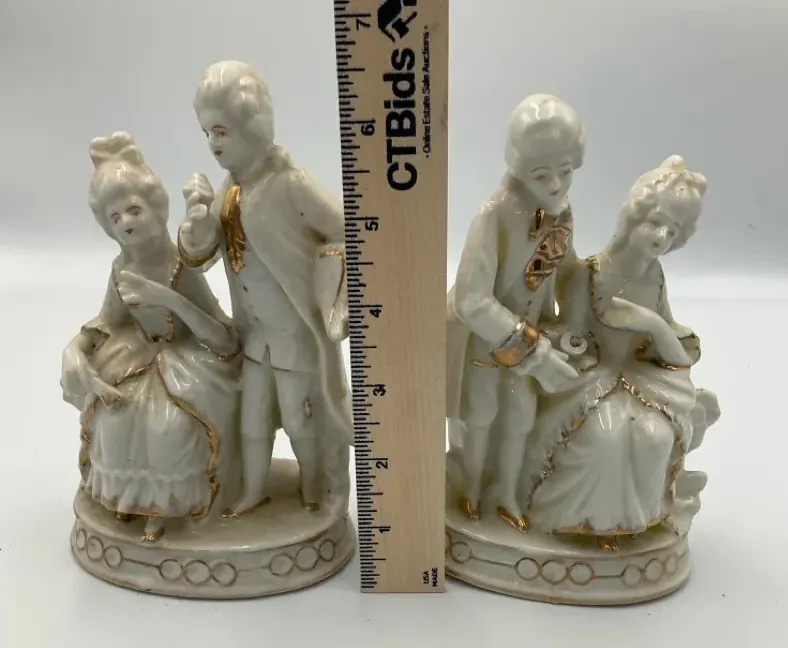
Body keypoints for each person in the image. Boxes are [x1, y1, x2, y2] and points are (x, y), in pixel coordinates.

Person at [177, 61, 351, 514]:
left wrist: (334, 294)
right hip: (254, 336)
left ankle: (314, 489)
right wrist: (196, 220)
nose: (213, 144)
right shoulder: (230, 189)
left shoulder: (289, 183)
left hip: (295, 334)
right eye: (207, 133)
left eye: (221, 131)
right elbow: (201, 254)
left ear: (251, 126)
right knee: (252, 420)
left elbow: (344, 231)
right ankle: (254, 490)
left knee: (300, 419)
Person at [519, 155, 711, 550]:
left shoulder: (655, 279)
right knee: (606, 438)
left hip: (638, 379)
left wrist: (650, 323)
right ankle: (585, 524)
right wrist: (574, 344)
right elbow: (568, 337)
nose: (661, 236)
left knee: (656, 437)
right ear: (633, 217)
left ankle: (633, 524)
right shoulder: (589, 274)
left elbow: (676, 355)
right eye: (655, 222)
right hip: (591, 377)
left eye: (672, 231)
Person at [60, 132, 242, 543]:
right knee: (115, 419)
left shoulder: (180, 263)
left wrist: (168, 298)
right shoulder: (120, 267)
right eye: (114, 217)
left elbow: (222, 336)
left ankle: (166, 509)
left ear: (157, 208)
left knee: (168, 428)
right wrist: (78, 346)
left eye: (133, 210)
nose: (126, 223)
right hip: (139, 357)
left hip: (190, 360)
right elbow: (109, 322)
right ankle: (127, 500)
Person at [446, 94, 585, 531]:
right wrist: (536, 352)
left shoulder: (561, 212)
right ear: (520, 166)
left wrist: (584, 313)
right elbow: (471, 300)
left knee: (520, 419)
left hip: (533, 339)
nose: (557, 185)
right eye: (543, 175)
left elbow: (567, 270)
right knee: (481, 417)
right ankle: (470, 489)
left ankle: (507, 493)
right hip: (485, 343)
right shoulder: (494, 216)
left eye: (566, 171)